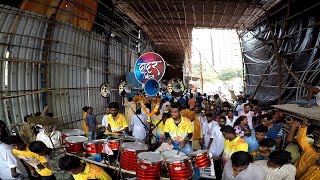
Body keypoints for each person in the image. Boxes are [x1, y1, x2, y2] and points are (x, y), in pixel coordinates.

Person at [207, 116, 226, 180]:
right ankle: (213, 175)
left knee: (220, 162)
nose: (221, 123)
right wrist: (209, 145)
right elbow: (212, 137)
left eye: (222, 121)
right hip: (214, 146)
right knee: (212, 161)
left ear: (225, 122)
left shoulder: (227, 129)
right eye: (220, 121)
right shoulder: (215, 127)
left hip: (222, 147)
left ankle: (220, 176)